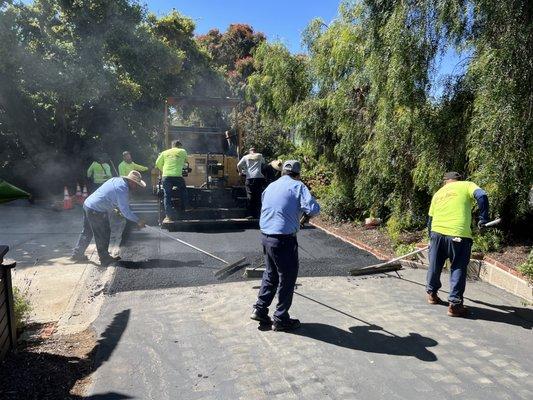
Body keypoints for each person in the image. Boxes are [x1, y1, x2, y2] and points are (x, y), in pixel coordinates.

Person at [251, 160, 320, 331]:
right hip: (284, 240)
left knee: (270, 274)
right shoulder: (298, 186)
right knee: (287, 278)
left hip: (266, 237)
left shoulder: (270, 187)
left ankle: (260, 309)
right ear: (298, 174)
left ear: (282, 173)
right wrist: (304, 216)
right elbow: (313, 208)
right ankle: (281, 318)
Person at [426, 171, 489, 317]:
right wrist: (483, 218)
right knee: (458, 267)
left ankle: (432, 295)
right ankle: (454, 305)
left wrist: (432, 238)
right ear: (459, 180)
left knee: (434, 265)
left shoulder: (438, 193)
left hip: (437, 233)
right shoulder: (467, 185)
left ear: (446, 181)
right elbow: (482, 195)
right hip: (458, 234)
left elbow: (430, 220)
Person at [71, 171, 146, 266]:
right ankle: (104, 259)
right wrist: (138, 221)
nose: (136, 187)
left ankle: (77, 254)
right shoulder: (122, 189)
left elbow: (109, 195)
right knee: (103, 233)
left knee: (87, 231)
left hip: (88, 204)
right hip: (96, 210)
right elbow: (126, 211)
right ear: (131, 182)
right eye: (136, 185)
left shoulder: (116, 180)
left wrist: (116, 207)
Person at [155, 140, 188, 222]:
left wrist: (163, 170)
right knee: (183, 190)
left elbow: (157, 163)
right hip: (177, 176)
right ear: (180, 146)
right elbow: (186, 162)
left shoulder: (164, 152)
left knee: (167, 196)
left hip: (166, 177)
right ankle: (187, 207)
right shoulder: (182, 151)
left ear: (172, 146)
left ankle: (168, 216)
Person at [237, 147, 266, 218]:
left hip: (250, 178)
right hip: (259, 178)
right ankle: (259, 214)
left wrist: (240, 173)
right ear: (255, 151)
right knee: (258, 195)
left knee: (250, 196)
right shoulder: (260, 155)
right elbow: (263, 164)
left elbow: (238, 165)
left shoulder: (246, 157)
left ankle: (251, 214)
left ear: (250, 151)